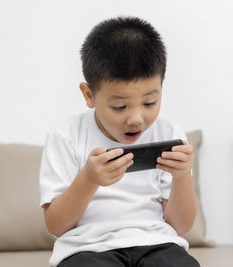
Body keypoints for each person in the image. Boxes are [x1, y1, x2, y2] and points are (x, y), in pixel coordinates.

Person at [39, 16, 199, 267]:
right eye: (119, 106)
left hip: (156, 243)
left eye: (149, 103)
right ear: (89, 95)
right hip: (87, 248)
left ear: (161, 85)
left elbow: (181, 225)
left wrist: (182, 176)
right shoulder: (66, 136)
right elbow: (56, 226)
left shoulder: (169, 132)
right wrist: (88, 180)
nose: (136, 119)